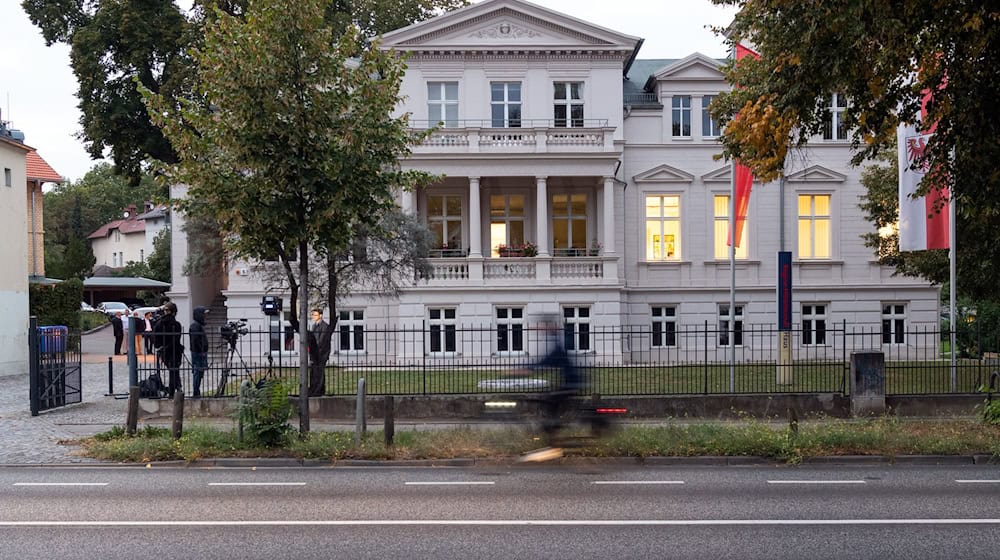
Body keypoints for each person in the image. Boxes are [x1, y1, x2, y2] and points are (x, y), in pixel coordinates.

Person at [516, 314, 587, 461]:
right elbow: (550, 360)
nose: (542, 330)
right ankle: (554, 432)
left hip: (572, 383)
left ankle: (554, 439)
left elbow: (549, 360)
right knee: (548, 398)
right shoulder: (558, 339)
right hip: (570, 381)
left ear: (552, 327)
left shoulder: (559, 342)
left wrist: (528, 368)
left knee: (550, 402)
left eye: (545, 327)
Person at [153, 302, 184, 398]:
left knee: (173, 370)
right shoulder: (176, 324)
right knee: (174, 370)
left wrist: (161, 347)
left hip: (164, 351)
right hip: (174, 350)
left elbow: (155, 339)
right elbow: (176, 339)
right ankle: (172, 391)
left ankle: (177, 387)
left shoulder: (158, 324)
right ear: (174, 312)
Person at [307, 308, 331, 397]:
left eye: (315, 315)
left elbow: (322, 341)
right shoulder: (314, 326)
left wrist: (316, 350)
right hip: (315, 353)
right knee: (314, 371)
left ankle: (320, 389)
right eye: (313, 315)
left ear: (320, 315)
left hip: (322, 353)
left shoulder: (325, 326)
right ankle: (314, 388)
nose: (313, 317)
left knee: (320, 371)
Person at [189, 306, 210, 397]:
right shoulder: (195, 326)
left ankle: (197, 390)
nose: (205, 316)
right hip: (198, 353)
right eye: (204, 314)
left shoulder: (198, 325)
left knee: (200, 372)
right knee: (198, 372)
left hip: (200, 352)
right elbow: (195, 341)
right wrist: (201, 350)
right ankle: (196, 391)